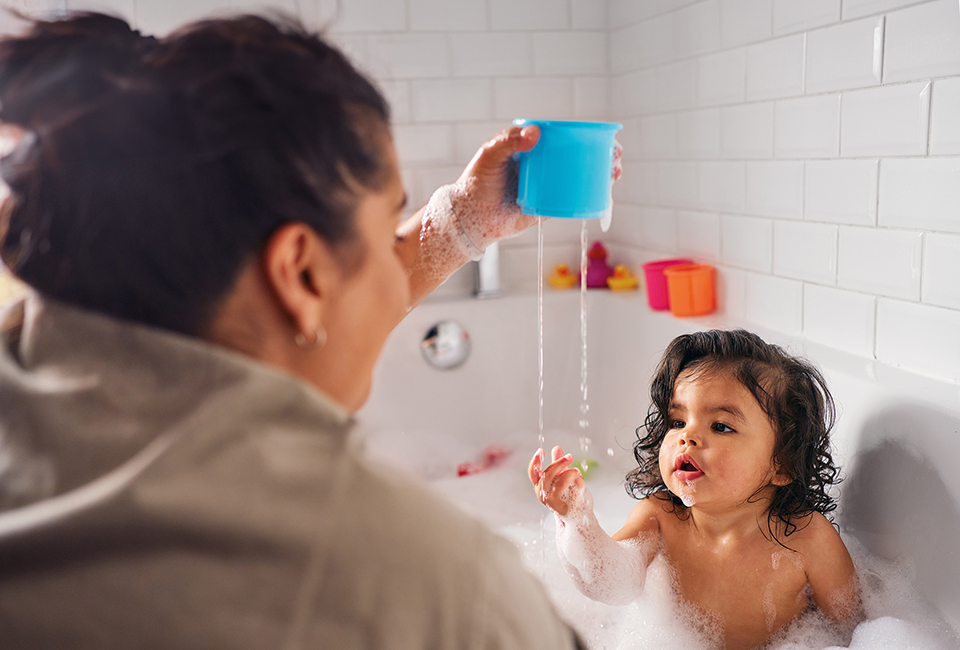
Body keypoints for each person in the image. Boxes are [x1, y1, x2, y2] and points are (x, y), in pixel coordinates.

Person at [0, 12, 584, 649]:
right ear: (300, 273)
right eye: (388, 231)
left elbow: (280, 317)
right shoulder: (435, 592)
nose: (398, 275)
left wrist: (461, 223)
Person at [528, 329, 863, 650]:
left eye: (721, 426)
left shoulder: (808, 539)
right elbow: (608, 580)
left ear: (783, 464)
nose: (686, 437)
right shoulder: (660, 516)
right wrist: (576, 520)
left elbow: (855, 630)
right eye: (677, 422)